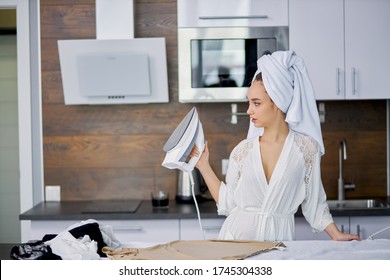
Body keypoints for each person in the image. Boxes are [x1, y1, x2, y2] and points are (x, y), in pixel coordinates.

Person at [190, 50, 359, 242]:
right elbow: (228, 204)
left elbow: (315, 204)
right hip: (235, 241)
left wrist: (336, 234)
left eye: (256, 103)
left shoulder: (306, 150)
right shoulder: (242, 151)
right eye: (249, 102)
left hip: (278, 243)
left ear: (277, 102)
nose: (249, 110)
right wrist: (203, 165)